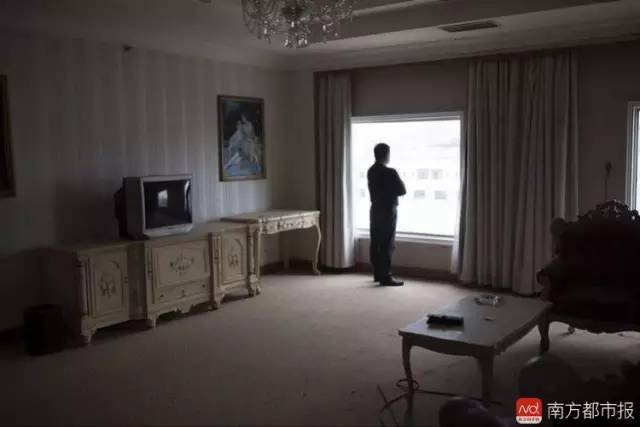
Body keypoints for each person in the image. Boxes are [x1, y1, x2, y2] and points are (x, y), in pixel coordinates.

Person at [367, 143, 406, 286]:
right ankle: (386, 277)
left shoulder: (371, 171)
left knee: (376, 242)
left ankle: (378, 274)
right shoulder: (390, 172)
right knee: (387, 243)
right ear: (386, 155)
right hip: (388, 210)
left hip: (375, 209)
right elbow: (402, 190)